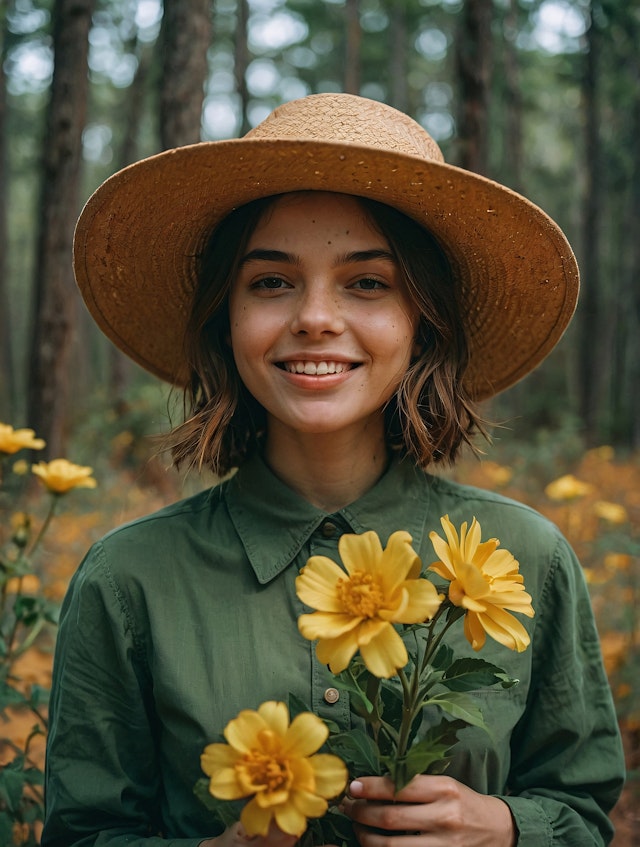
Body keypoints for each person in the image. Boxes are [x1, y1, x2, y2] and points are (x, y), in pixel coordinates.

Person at [43, 94, 624, 847]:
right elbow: (82, 831)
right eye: (272, 281)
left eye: (367, 282)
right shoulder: (127, 580)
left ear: (423, 324)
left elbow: (583, 810)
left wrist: (507, 827)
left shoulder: (528, 558)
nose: (315, 316)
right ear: (226, 318)